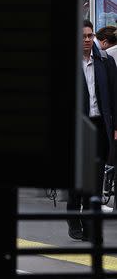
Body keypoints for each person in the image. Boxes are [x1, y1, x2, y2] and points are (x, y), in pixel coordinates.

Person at [68, 20, 117, 241]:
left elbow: (115, 97)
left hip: (98, 126)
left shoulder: (105, 61)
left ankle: (89, 225)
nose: (87, 40)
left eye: (90, 36)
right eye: (83, 36)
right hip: (78, 127)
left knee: (95, 179)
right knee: (78, 176)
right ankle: (73, 215)